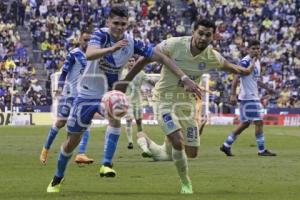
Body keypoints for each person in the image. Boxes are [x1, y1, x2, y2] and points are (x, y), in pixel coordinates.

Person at [46, 5, 202, 193]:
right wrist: (112, 48)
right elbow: (90, 53)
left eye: (123, 24)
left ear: (127, 24)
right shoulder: (100, 35)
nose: (119, 27)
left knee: (116, 112)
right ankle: (58, 178)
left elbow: (161, 58)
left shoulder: (132, 42)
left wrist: (183, 77)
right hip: (86, 94)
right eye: (115, 23)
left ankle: (106, 164)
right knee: (72, 141)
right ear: (108, 22)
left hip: (109, 93)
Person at [121, 18, 256, 194]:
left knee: (191, 152)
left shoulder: (211, 56)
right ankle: (186, 183)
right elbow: (145, 59)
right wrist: (125, 81)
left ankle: (148, 142)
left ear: (212, 37)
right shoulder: (174, 44)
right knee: (178, 141)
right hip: (164, 100)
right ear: (193, 32)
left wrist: (245, 70)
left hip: (186, 105)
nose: (203, 38)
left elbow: (230, 67)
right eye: (200, 33)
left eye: (208, 35)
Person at [40, 29, 94, 165]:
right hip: (69, 95)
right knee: (60, 123)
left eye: (90, 40)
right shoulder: (74, 54)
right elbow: (64, 73)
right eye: (85, 39)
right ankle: (45, 149)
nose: (87, 42)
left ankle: (81, 154)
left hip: (83, 96)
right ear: (80, 39)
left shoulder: (93, 56)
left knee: (85, 124)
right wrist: (59, 88)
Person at [220, 40, 277, 157]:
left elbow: (256, 79)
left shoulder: (256, 62)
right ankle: (261, 150)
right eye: (253, 48)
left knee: (245, 123)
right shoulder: (245, 62)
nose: (256, 51)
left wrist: (267, 88)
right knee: (259, 122)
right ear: (248, 49)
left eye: (258, 48)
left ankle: (226, 145)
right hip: (249, 97)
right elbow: (236, 78)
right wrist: (232, 94)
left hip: (249, 96)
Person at [121, 56, 154, 149]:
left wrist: (157, 85)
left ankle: (141, 140)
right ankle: (130, 142)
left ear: (135, 62)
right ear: (127, 63)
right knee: (128, 120)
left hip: (138, 101)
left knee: (139, 122)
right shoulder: (122, 73)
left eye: (133, 61)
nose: (131, 62)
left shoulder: (141, 73)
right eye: (129, 61)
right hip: (127, 101)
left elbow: (149, 81)